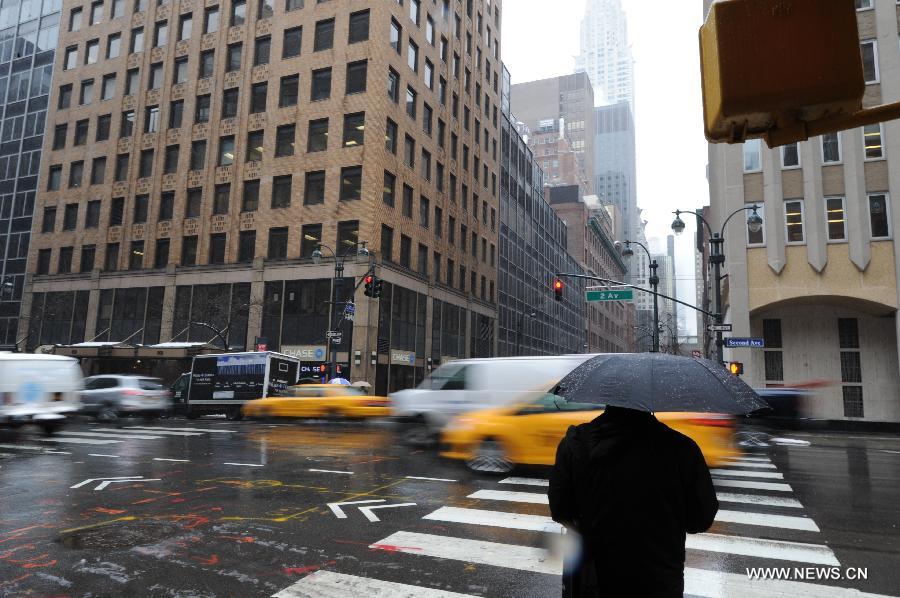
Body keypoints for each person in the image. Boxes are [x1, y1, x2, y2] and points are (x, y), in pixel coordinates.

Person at [548, 405, 718, 597]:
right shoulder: (682, 449)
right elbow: (701, 518)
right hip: (660, 581)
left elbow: (560, 509)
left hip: (596, 578)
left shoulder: (575, 444)